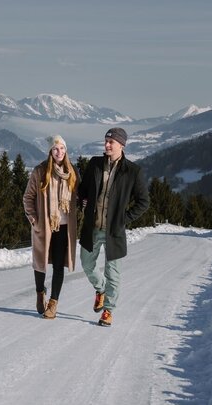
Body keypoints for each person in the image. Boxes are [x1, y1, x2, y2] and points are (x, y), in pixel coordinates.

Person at [77, 127, 150, 327]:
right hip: (92, 227)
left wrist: (123, 219)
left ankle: (108, 310)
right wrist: (83, 200)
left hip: (113, 232)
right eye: (106, 141)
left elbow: (144, 202)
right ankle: (100, 289)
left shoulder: (133, 171)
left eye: (111, 142)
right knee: (86, 264)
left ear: (122, 145)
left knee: (113, 273)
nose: (107, 145)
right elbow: (82, 190)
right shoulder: (95, 164)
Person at [23, 135, 77, 319]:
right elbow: (28, 198)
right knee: (40, 264)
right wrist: (33, 220)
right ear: (50, 151)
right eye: (55, 149)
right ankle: (40, 293)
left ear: (66, 150)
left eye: (62, 148)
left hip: (63, 228)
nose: (59, 152)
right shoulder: (39, 171)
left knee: (59, 267)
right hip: (44, 227)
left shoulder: (72, 172)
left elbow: (78, 198)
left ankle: (53, 303)